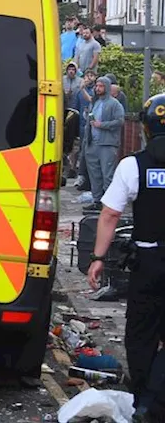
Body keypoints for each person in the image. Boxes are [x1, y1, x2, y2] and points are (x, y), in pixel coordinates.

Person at [88, 93, 165, 422]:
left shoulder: (133, 165)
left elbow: (109, 215)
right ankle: (155, 400)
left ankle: (144, 400)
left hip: (147, 263)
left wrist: (97, 257)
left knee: (140, 333)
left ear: (145, 129)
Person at [85, 76, 125, 206]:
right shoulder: (94, 103)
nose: (97, 88)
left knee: (107, 175)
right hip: (92, 144)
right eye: (96, 86)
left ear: (107, 87)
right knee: (94, 175)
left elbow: (120, 121)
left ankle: (109, 204)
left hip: (107, 144)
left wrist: (101, 125)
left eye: (101, 86)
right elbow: (89, 123)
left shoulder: (114, 104)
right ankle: (97, 201)